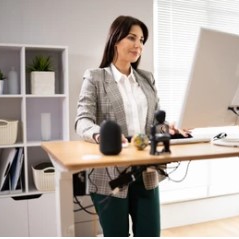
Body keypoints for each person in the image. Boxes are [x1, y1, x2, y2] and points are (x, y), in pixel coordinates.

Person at [75, 15, 188, 237]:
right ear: (115, 40)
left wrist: (169, 129)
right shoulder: (95, 77)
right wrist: (102, 135)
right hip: (109, 174)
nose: (138, 45)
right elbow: (82, 120)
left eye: (142, 40)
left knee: (150, 234)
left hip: (146, 170)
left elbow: (155, 124)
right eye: (132, 37)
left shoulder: (147, 79)